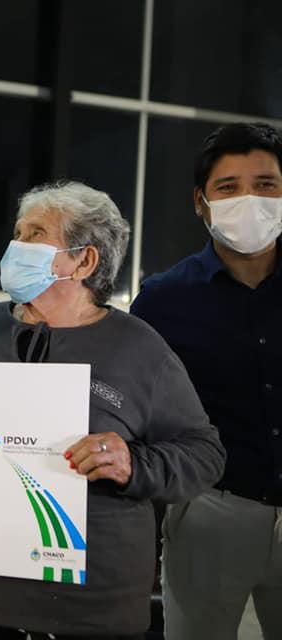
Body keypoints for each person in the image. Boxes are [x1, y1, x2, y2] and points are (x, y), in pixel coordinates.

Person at [0, 181, 226, 639]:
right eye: (17, 233)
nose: (16, 246)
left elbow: (205, 454)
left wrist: (133, 463)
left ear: (85, 261)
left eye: (35, 234)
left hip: (87, 610)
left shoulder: (139, 349)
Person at [130, 122, 282, 640]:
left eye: (266, 185)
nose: (249, 200)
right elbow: (138, 406)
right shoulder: (164, 299)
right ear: (202, 202)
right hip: (210, 509)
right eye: (229, 187)